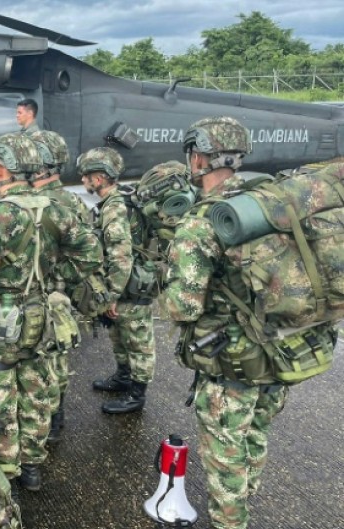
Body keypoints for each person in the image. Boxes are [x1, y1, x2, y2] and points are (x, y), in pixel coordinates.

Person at [165, 116, 337, 529]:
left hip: (233, 364)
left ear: (198, 157)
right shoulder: (269, 201)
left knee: (225, 451)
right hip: (285, 349)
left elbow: (182, 308)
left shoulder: (202, 222)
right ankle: (245, 498)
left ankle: (231, 521)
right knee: (255, 433)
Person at [0, 133, 101, 493]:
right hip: (40, 319)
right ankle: (31, 467)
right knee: (35, 392)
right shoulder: (58, 208)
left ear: (2, 168)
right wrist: (53, 282)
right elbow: (91, 255)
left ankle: (6, 474)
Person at [79, 147, 156, 414]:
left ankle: (137, 395)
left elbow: (121, 255)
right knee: (120, 336)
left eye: (87, 176)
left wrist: (111, 295)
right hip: (124, 283)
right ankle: (124, 377)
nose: (84, 180)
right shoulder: (119, 198)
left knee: (138, 342)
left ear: (99, 177)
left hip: (130, 287)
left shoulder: (114, 208)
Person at [27, 129, 92, 442]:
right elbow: (91, 253)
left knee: (33, 360)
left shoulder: (29, 202)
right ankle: (55, 416)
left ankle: (40, 422)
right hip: (61, 297)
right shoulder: (75, 202)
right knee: (58, 358)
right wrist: (64, 279)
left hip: (34, 297)